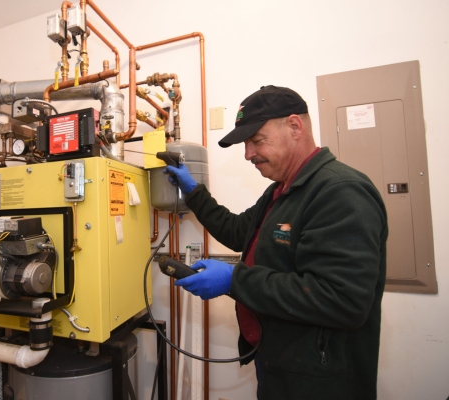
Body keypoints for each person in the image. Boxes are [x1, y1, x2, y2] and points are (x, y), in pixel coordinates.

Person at [165, 85, 388, 400]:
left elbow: (343, 300)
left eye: (257, 141)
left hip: (321, 381)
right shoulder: (280, 191)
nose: (248, 154)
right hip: (281, 365)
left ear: (295, 127)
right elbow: (234, 230)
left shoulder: (340, 191)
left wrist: (234, 279)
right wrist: (193, 190)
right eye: (246, 144)